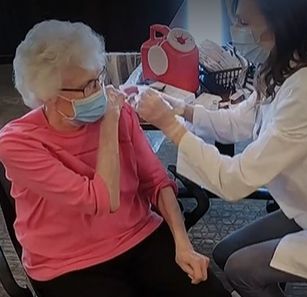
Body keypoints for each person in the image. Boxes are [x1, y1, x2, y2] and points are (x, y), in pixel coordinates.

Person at [136, 0, 307, 296]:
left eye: (245, 24)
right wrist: (183, 109)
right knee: (223, 253)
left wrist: (171, 126)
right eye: (236, 21)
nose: (236, 31)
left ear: (279, 27)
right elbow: (238, 121)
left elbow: (235, 181)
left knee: (240, 270)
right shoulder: (282, 68)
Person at [0, 20, 231, 297]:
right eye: (86, 87)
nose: (99, 91)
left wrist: (183, 245)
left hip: (138, 235)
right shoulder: (17, 143)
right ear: (47, 96)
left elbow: (156, 181)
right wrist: (109, 124)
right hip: (66, 263)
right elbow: (99, 199)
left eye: (98, 78)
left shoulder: (119, 113)